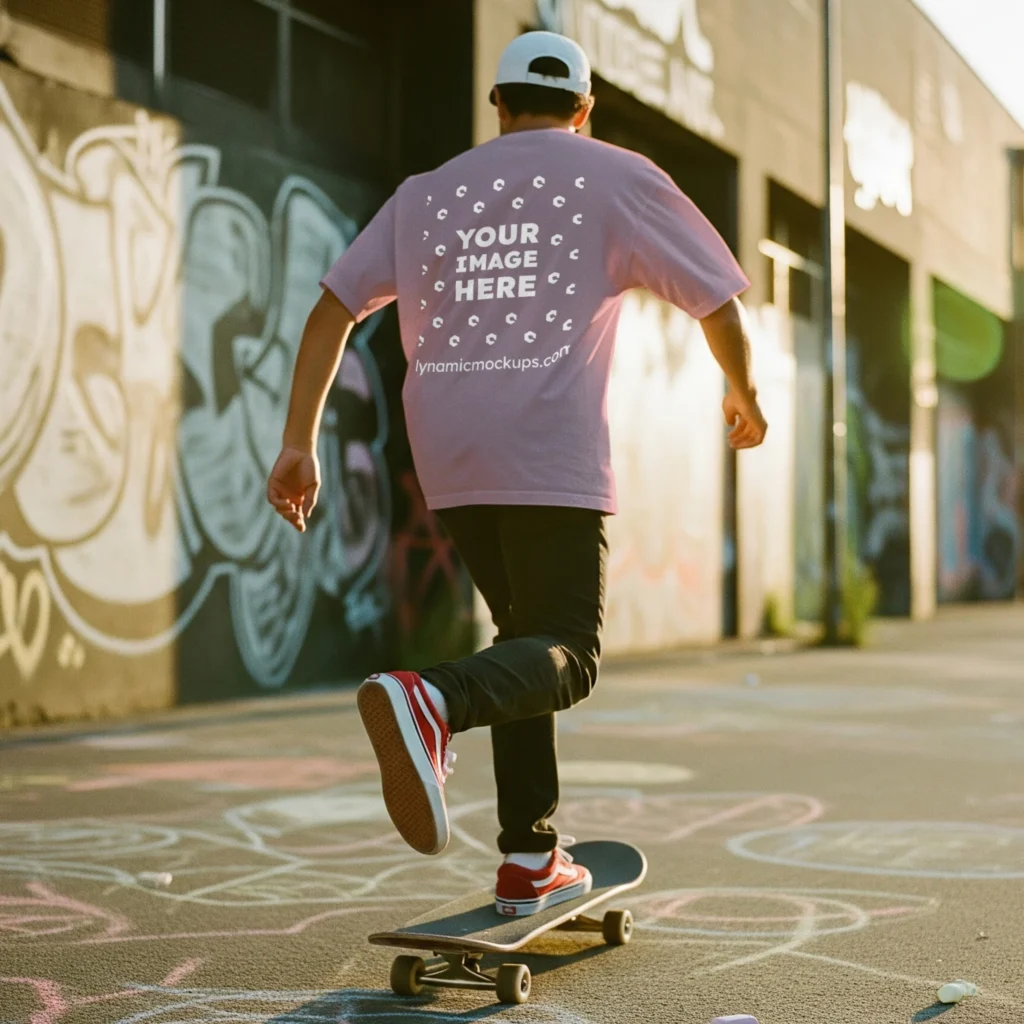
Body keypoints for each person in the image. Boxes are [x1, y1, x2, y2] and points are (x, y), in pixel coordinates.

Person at [267, 30, 767, 918]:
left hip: (449, 451)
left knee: (525, 640)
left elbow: (332, 309)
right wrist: (743, 392)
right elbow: (717, 299)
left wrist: (298, 442)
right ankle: (432, 697)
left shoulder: (425, 194)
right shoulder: (617, 176)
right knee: (570, 654)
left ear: (497, 104)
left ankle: (530, 856)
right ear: (585, 109)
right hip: (545, 449)